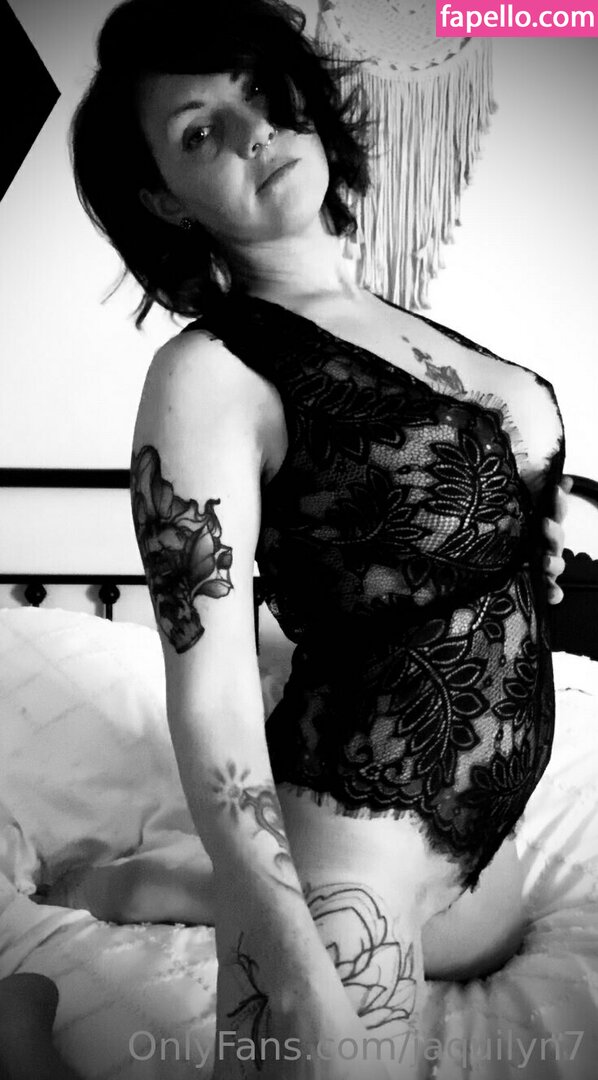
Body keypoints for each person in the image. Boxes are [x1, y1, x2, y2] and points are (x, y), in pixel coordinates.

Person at [1, 1, 571, 1078]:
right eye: (200, 132)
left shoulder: (403, 323)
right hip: (358, 826)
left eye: (260, 94)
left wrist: (514, 538)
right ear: (164, 198)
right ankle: (18, 1028)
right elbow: (213, 689)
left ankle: (159, 882)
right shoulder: (208, 376)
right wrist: (285, 949)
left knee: (483, 941)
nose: (253, 130)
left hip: (480, 849)